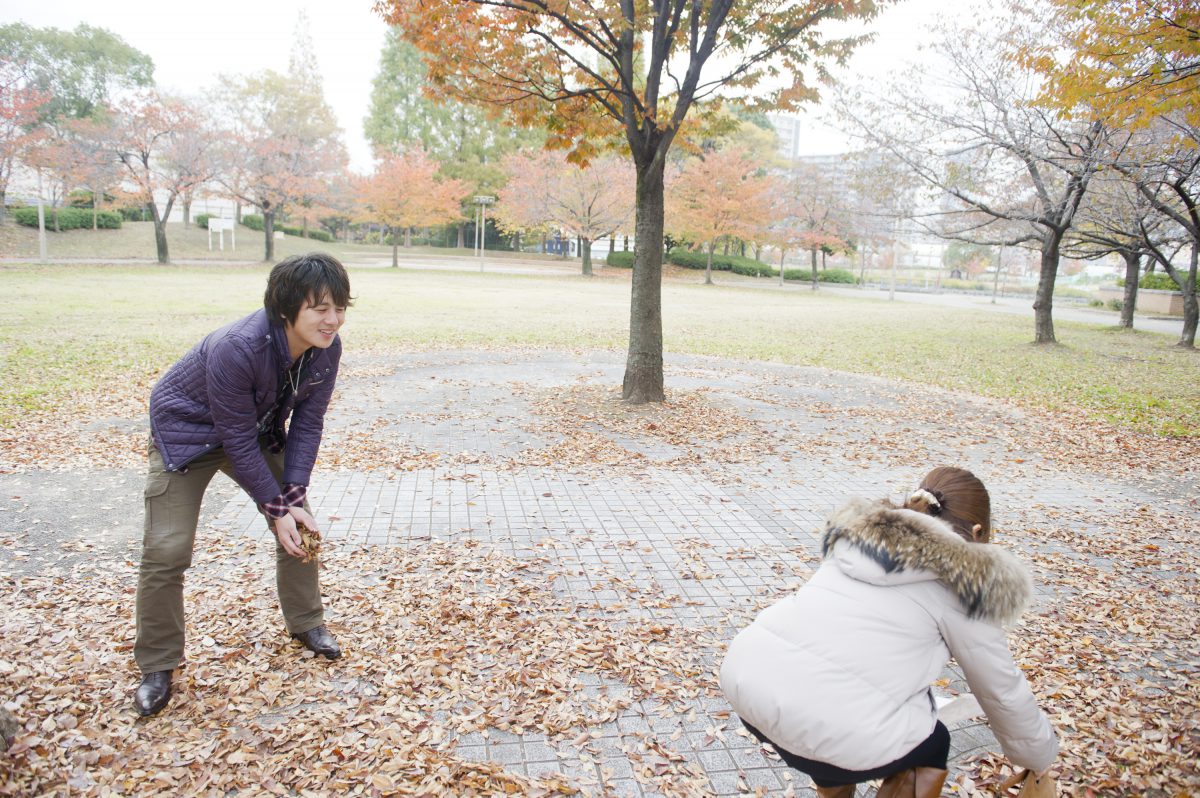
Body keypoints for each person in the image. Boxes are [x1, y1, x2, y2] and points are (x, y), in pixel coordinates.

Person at [720, 467, 1058, 797]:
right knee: (934, 743)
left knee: (837, 726)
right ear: (979, 530)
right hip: (828, 728)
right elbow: (1002, 691)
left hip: (749, 683)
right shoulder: (966, 584)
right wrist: (1039, 760)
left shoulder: (859, 542)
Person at [132, 252, 352, 717]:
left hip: (253, 430)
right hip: (188, 434)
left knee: (299, 521)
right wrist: (272, 510)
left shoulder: (326, 349)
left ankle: (306, 623)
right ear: (286, 309)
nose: (333, 320)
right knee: (167, 549)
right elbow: (232, 437)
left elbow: (308, 424)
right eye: (320, 308)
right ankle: (157, 663)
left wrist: (289, 497)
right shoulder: (239, 346)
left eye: (340, 307)